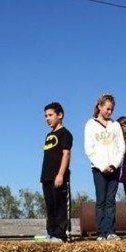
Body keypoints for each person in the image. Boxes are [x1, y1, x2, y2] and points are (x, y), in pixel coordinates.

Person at [84, 93, 125, 241]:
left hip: (114, 168)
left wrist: (114, 164)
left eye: (111, 110)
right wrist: (102, 166)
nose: (109, 112)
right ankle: (101, 232)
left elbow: (121, 147)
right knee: (101, 199)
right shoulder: (91, 124)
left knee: (110, 200)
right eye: (107, 109)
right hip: (98, 168)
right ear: (100, 107)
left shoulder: (115, 126)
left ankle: (110, 231)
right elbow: (89, 149)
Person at [40, 102, 73, 243]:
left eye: (50, 115)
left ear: (60, 115)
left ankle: (60, 234)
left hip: (58, 176)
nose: (47, 118)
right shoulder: (48, 135)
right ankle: (51, 233)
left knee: (60, 206)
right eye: (45, 116)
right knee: (50, 206)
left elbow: (66, 154)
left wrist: (60, 174)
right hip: (46, 177)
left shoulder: (65, 133)